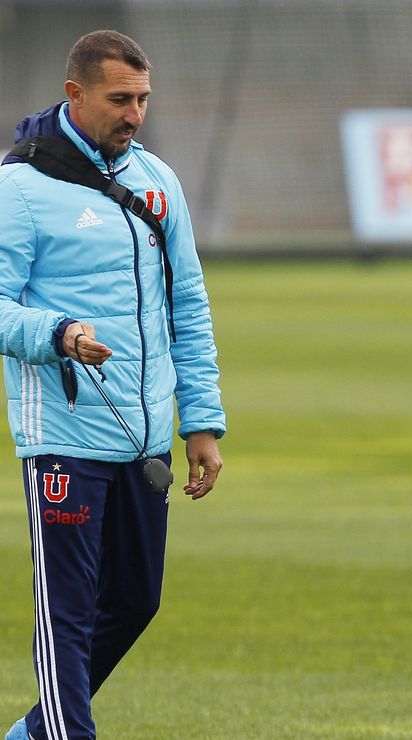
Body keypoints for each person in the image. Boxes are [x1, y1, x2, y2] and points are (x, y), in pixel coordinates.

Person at [0, 30, 225, 740]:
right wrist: (57, 333)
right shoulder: (20, 188)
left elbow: (188, 303)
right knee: (66, 613)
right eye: (119, 99)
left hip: (144, 438)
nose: (134, 114)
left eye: (144, 99)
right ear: (75, 94)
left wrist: (202, 422)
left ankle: (36, 732)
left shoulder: (159, 180)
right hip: (63, 437)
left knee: (135, 601)